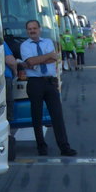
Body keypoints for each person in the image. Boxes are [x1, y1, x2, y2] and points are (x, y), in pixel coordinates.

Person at [19, 20, 77, 157]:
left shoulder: (48, 42)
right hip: (35, 83)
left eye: (34, 28)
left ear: (39, 29)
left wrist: (38, 60)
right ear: (27, 31)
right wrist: (46, 57)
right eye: (29, 29)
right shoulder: (24, 45)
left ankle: (64, 147)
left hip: (50, 82)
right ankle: (41, 147)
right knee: (37, 116)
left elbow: (53, 59)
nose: (32, 31)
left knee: (57, 115)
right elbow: (30, 62)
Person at [3, 40, 19, 161]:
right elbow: (11, 61)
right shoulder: (0, 42)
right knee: (7, 109)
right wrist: (15, 71)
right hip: (4, 78)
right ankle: (7, 140)